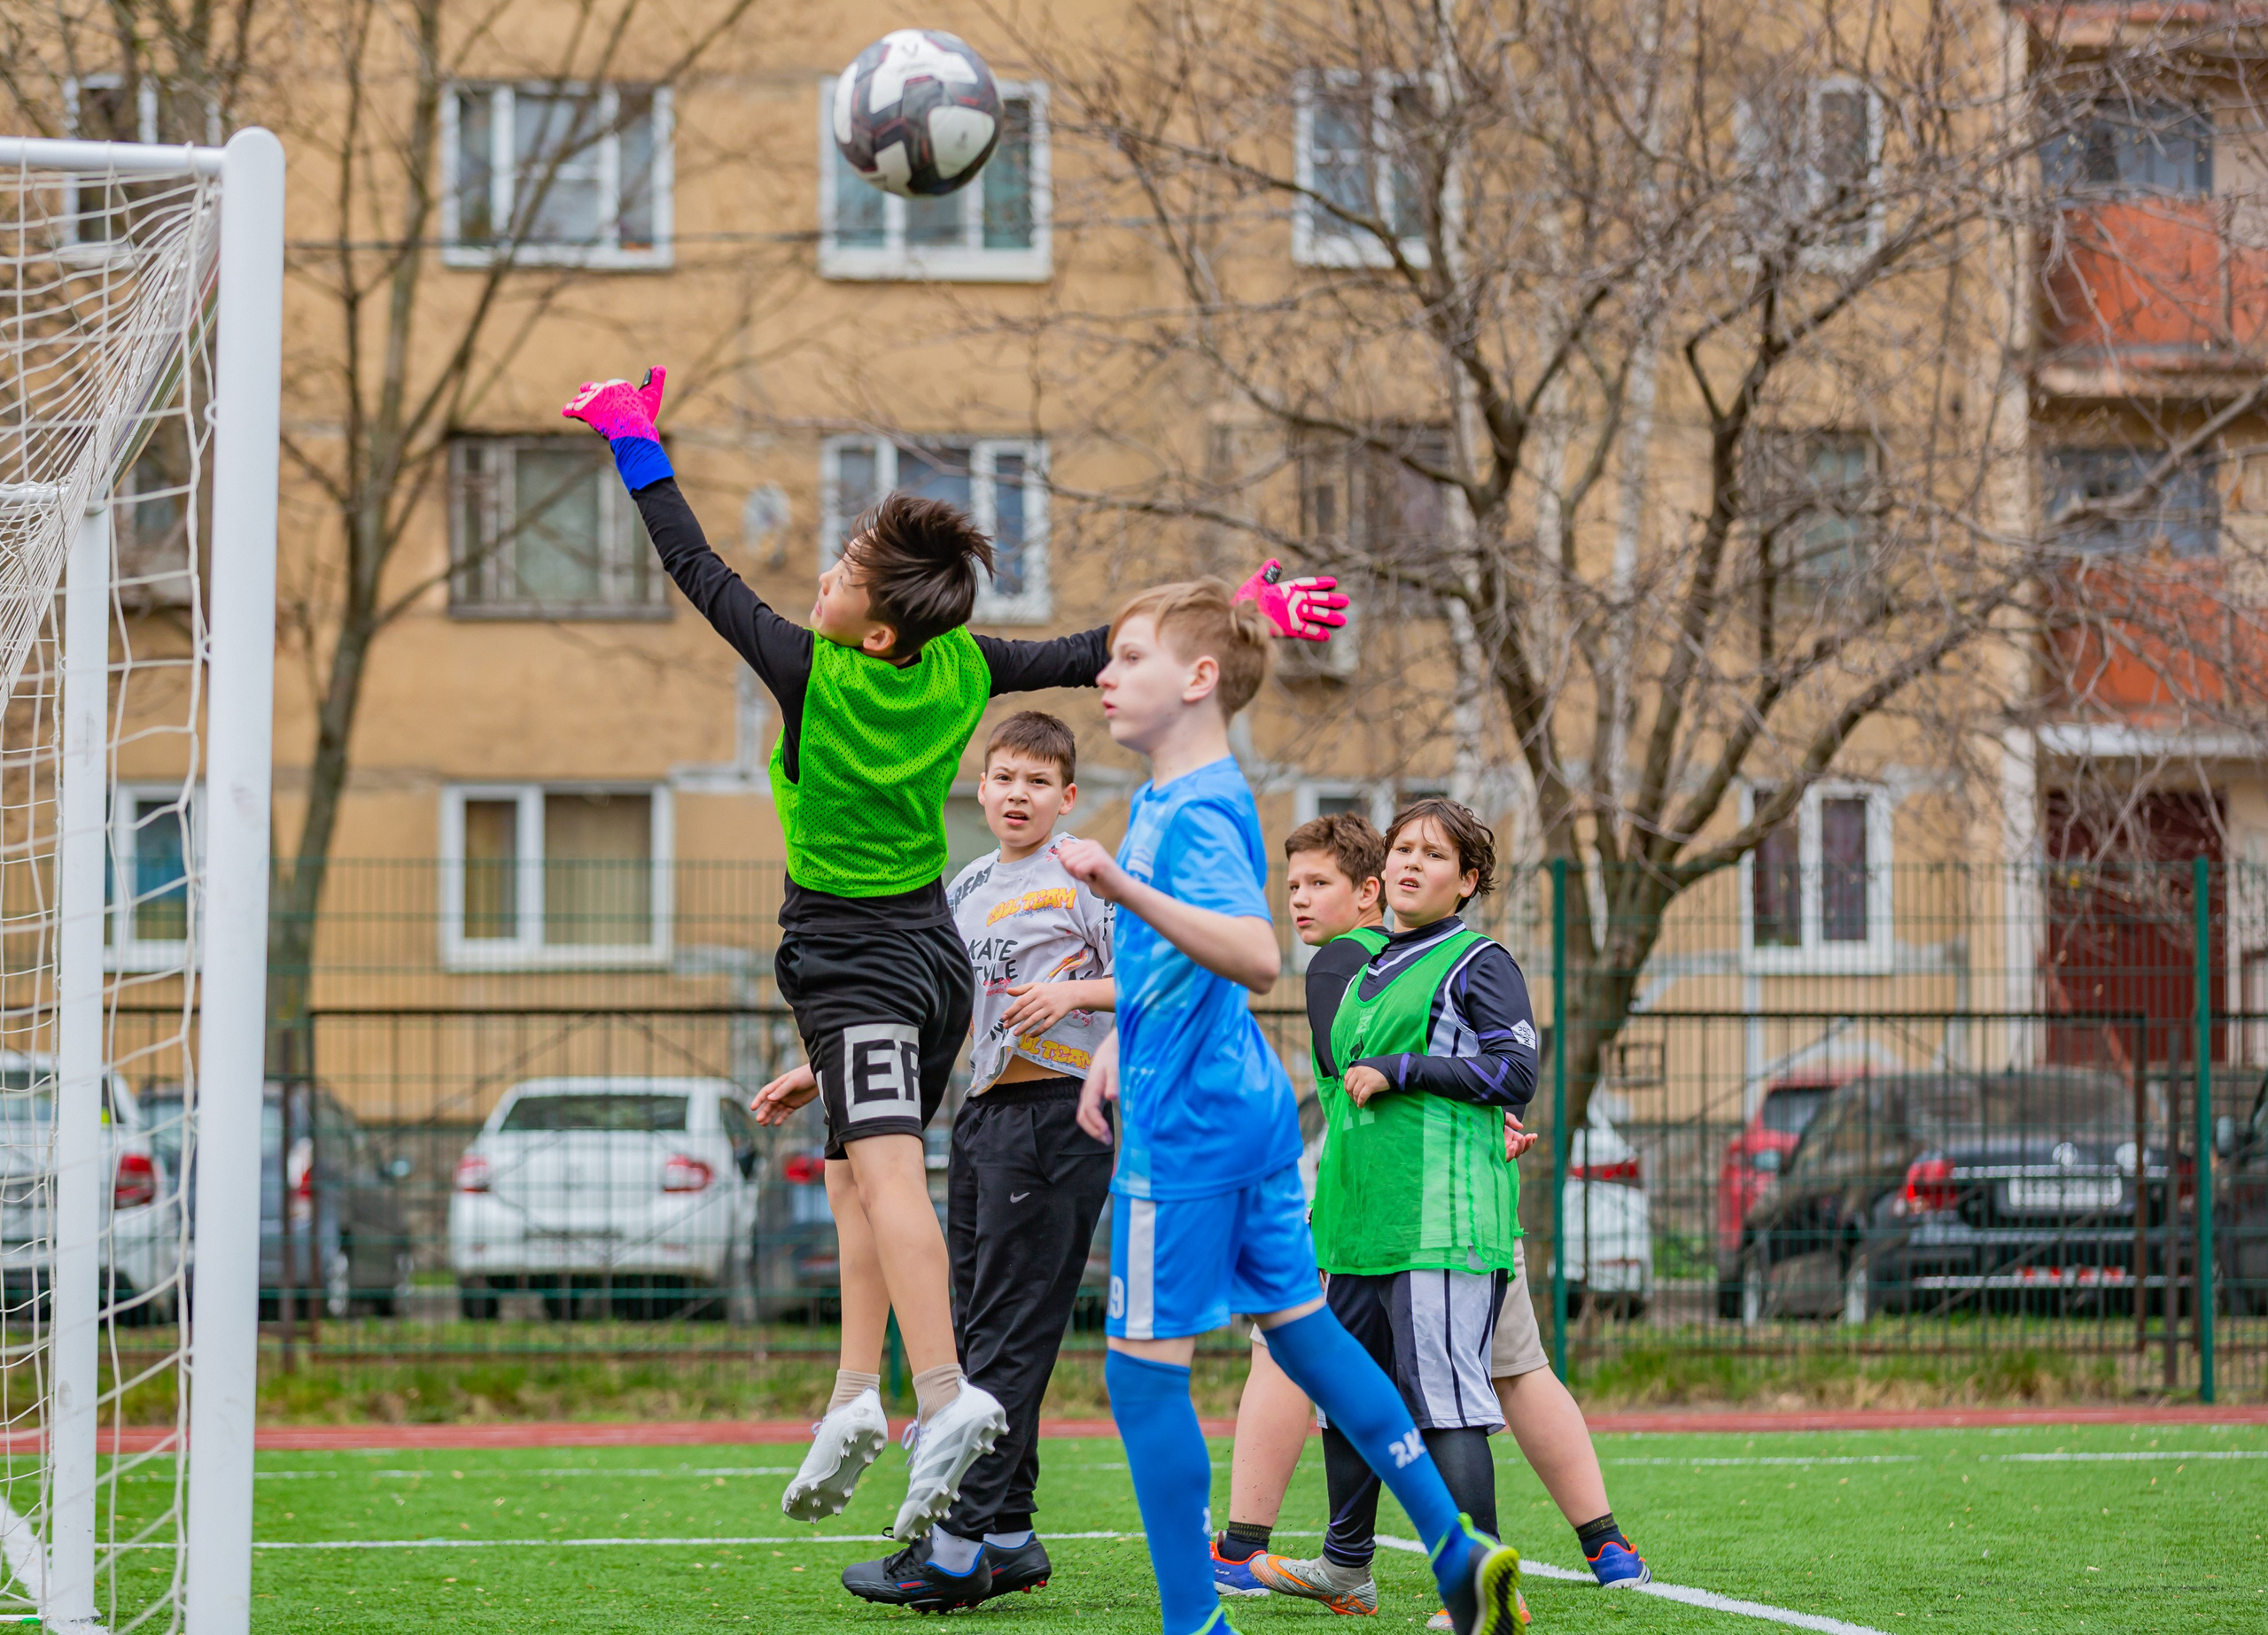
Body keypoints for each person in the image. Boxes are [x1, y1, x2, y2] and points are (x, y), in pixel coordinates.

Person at [561, 368, 1346, 1544]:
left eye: (836, 577)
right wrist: (1240, 614)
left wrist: (634, 438)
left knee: (884, 1177)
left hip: (862, 955)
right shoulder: (964, 664)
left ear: (871, 628)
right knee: (843, 1175)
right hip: (928, 952)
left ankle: (943, 1393)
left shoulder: (809, 670)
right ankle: (849, 1393)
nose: (817, 581)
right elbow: (1096, 649)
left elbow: (696, 566)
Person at [1057, 580, 1524, 1635]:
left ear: (1198, 681)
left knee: (1139, 1379)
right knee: (1306, 1336)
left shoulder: (1197, 805)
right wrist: (1121, 1038)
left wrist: (1114, 884)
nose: (1104, 673)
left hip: (1189, 1129)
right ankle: (1454, 1546)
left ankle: (1195, 1622)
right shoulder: (1177, 794)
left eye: (1129, 657)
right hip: (1240, 1107)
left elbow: (1256, 952)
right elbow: (1182, 967)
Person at [1249, 801, 1645, 1624]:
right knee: (1350, 1394)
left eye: (1433, 854)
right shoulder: (1360, 964)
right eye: (1400, 849)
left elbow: (1514, 1073)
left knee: (1448, 1401)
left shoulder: (1480, 960)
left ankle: (1483, 1590)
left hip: (1441, 1223)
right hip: (1359, 1221)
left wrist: (1405, 1068)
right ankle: (1346, 1566)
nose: (1409, 863)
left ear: (1467, 882)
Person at [843, 711, 1116, 1611]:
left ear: (1066, 797)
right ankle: (1009, 1532)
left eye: (1037, 781)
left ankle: (954, 1549)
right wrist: (819, 1071)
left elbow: (1167, 975)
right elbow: (927, 1007)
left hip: (1057, 1115)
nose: (1017, 794)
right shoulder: (964, 885)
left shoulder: (1083, 875)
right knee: (972, 1327)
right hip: (983, 1120)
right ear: (981, 787)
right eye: (1003, 777)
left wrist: (1075, 988)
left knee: (1005, 1330)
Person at [1211, 813, 1388, 1600]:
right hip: (1444, 1195)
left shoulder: (1337, 965)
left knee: (1282, 1349)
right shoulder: (1417, 959)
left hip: (1359, 1199)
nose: (1300, 901)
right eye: (1292, 887)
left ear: (1368, 891)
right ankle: (1603, 1543)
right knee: (1509, 1375)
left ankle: (1242, 1549)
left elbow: (1350, 1073)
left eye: (1320, 884)